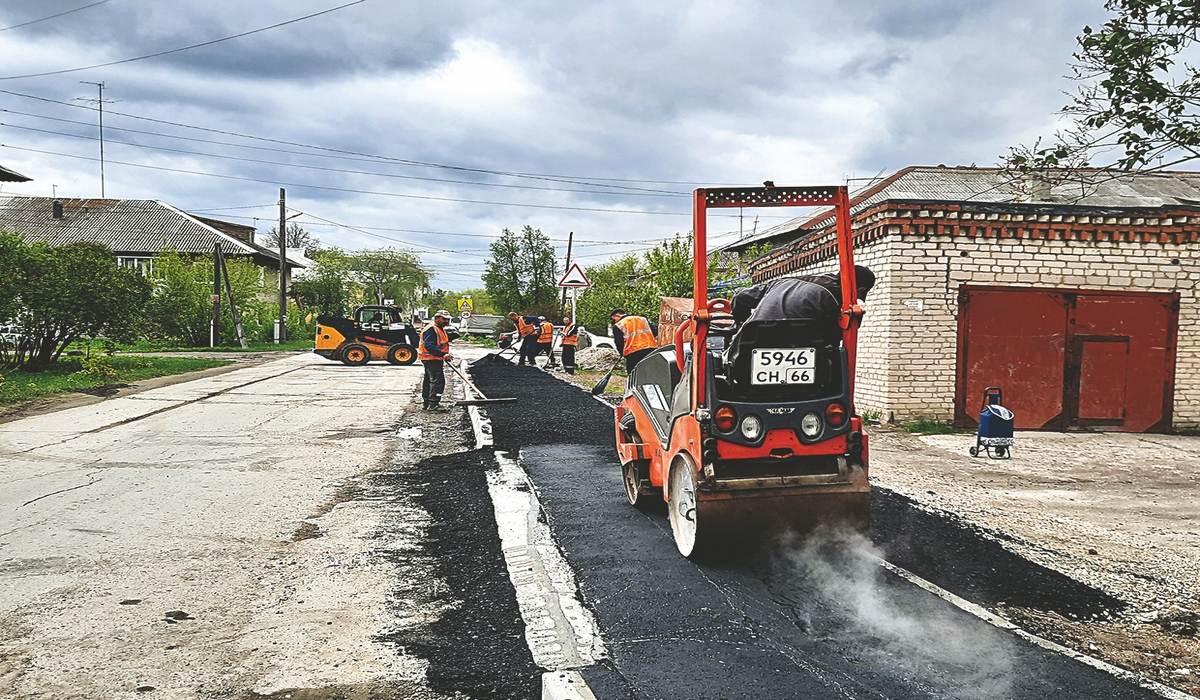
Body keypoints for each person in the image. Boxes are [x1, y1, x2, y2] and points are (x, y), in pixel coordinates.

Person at [730, 265, 876, 336]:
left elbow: (740, 298)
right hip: (798, 353)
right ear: (860, 290)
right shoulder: (835, 296)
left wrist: (741, 323)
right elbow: (832, 336)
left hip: (749, 345)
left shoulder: (783, 281)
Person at [419, 310, 454, 410]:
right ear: (437, 318)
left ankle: (427, 403)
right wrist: (443, 354)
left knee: (429, 380)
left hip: (433, 358)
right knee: (438, 381)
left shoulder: (439, 328)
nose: (446, 321)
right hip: (431, 358)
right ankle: (434, 404)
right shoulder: (432, 329)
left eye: (447, 319)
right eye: (444, 319)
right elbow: (429, 345)